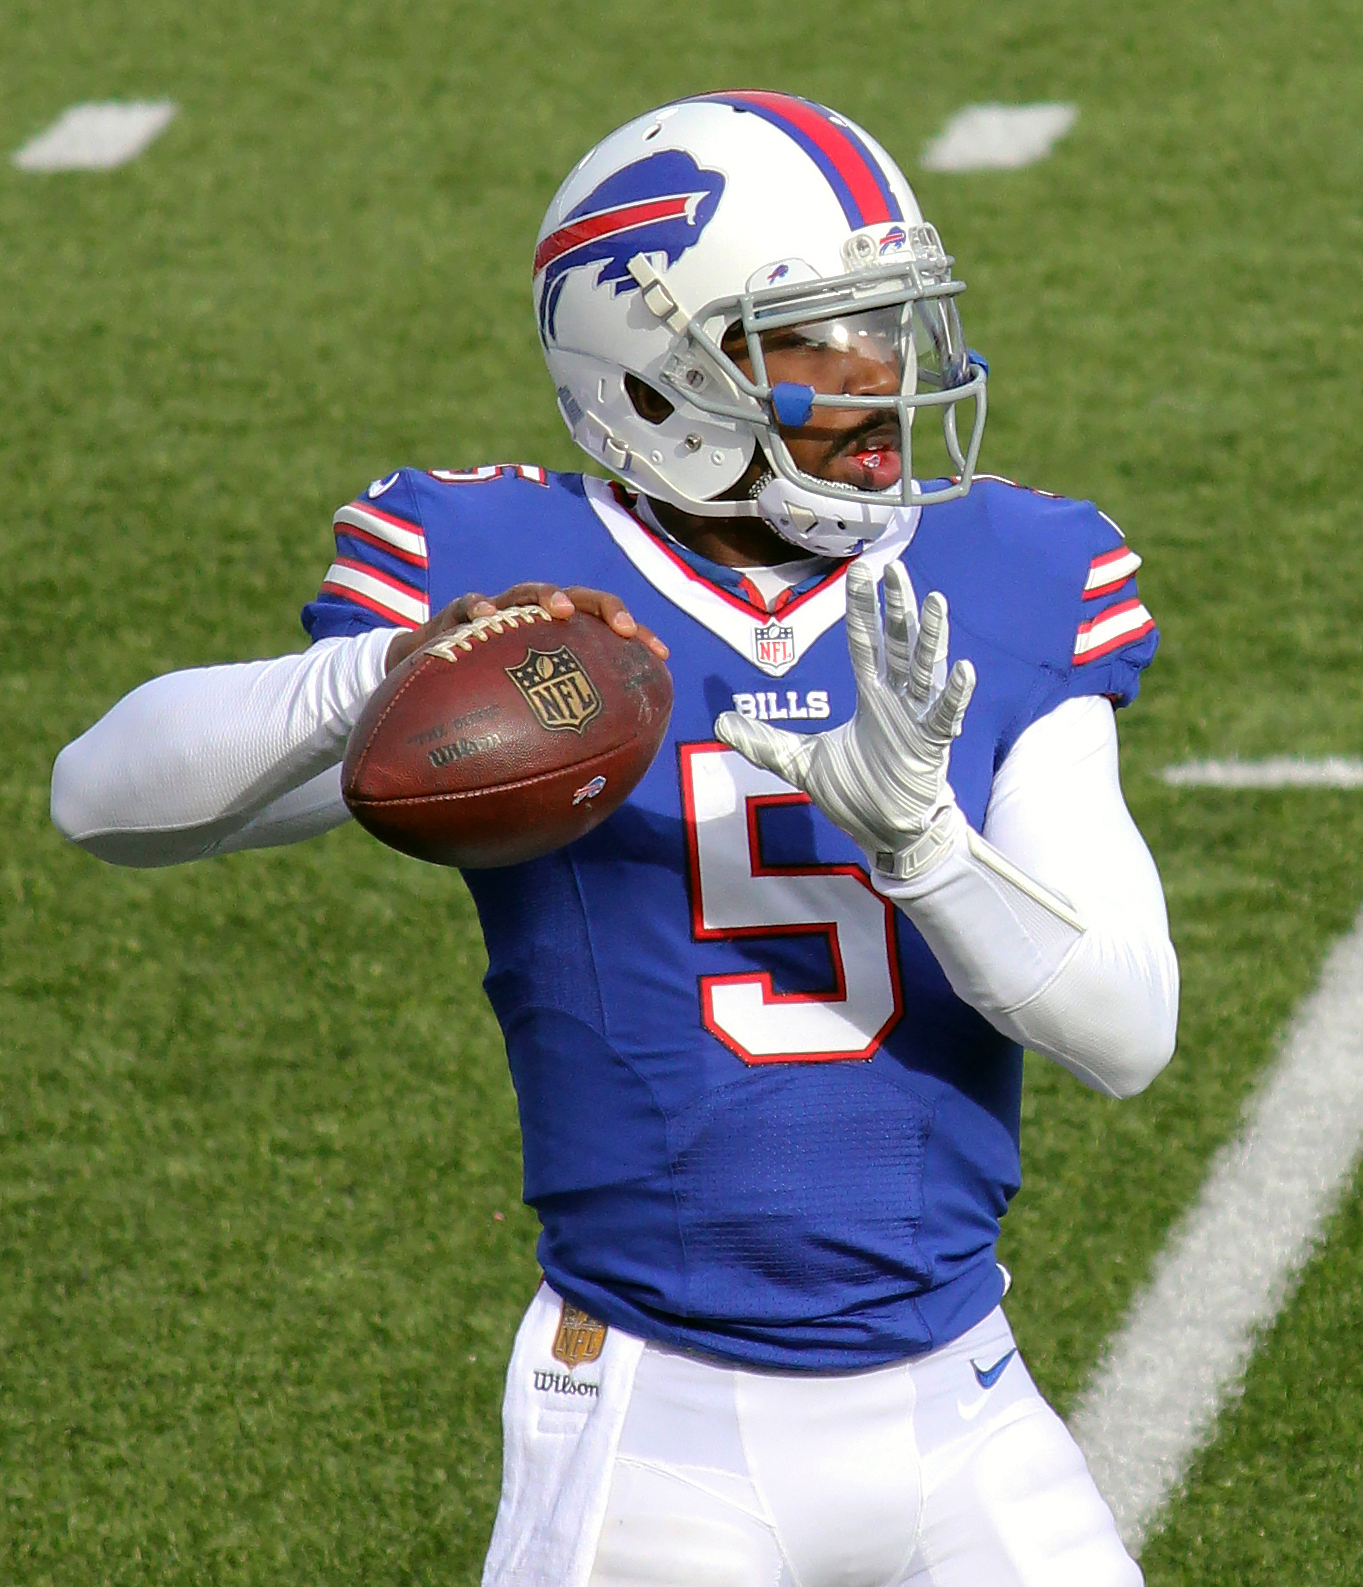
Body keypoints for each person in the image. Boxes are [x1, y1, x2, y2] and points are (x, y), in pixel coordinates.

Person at [51, 91, 1178, 1587]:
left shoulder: (1010, 574)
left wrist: (927, 848)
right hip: (657, 1422)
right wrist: (374, 676)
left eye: (896, 326)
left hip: (966, 1402)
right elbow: (102, 801)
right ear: (656, 378)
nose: (886, 383)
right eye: (818, 342)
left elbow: (1129, 1029)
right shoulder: (509, 587)